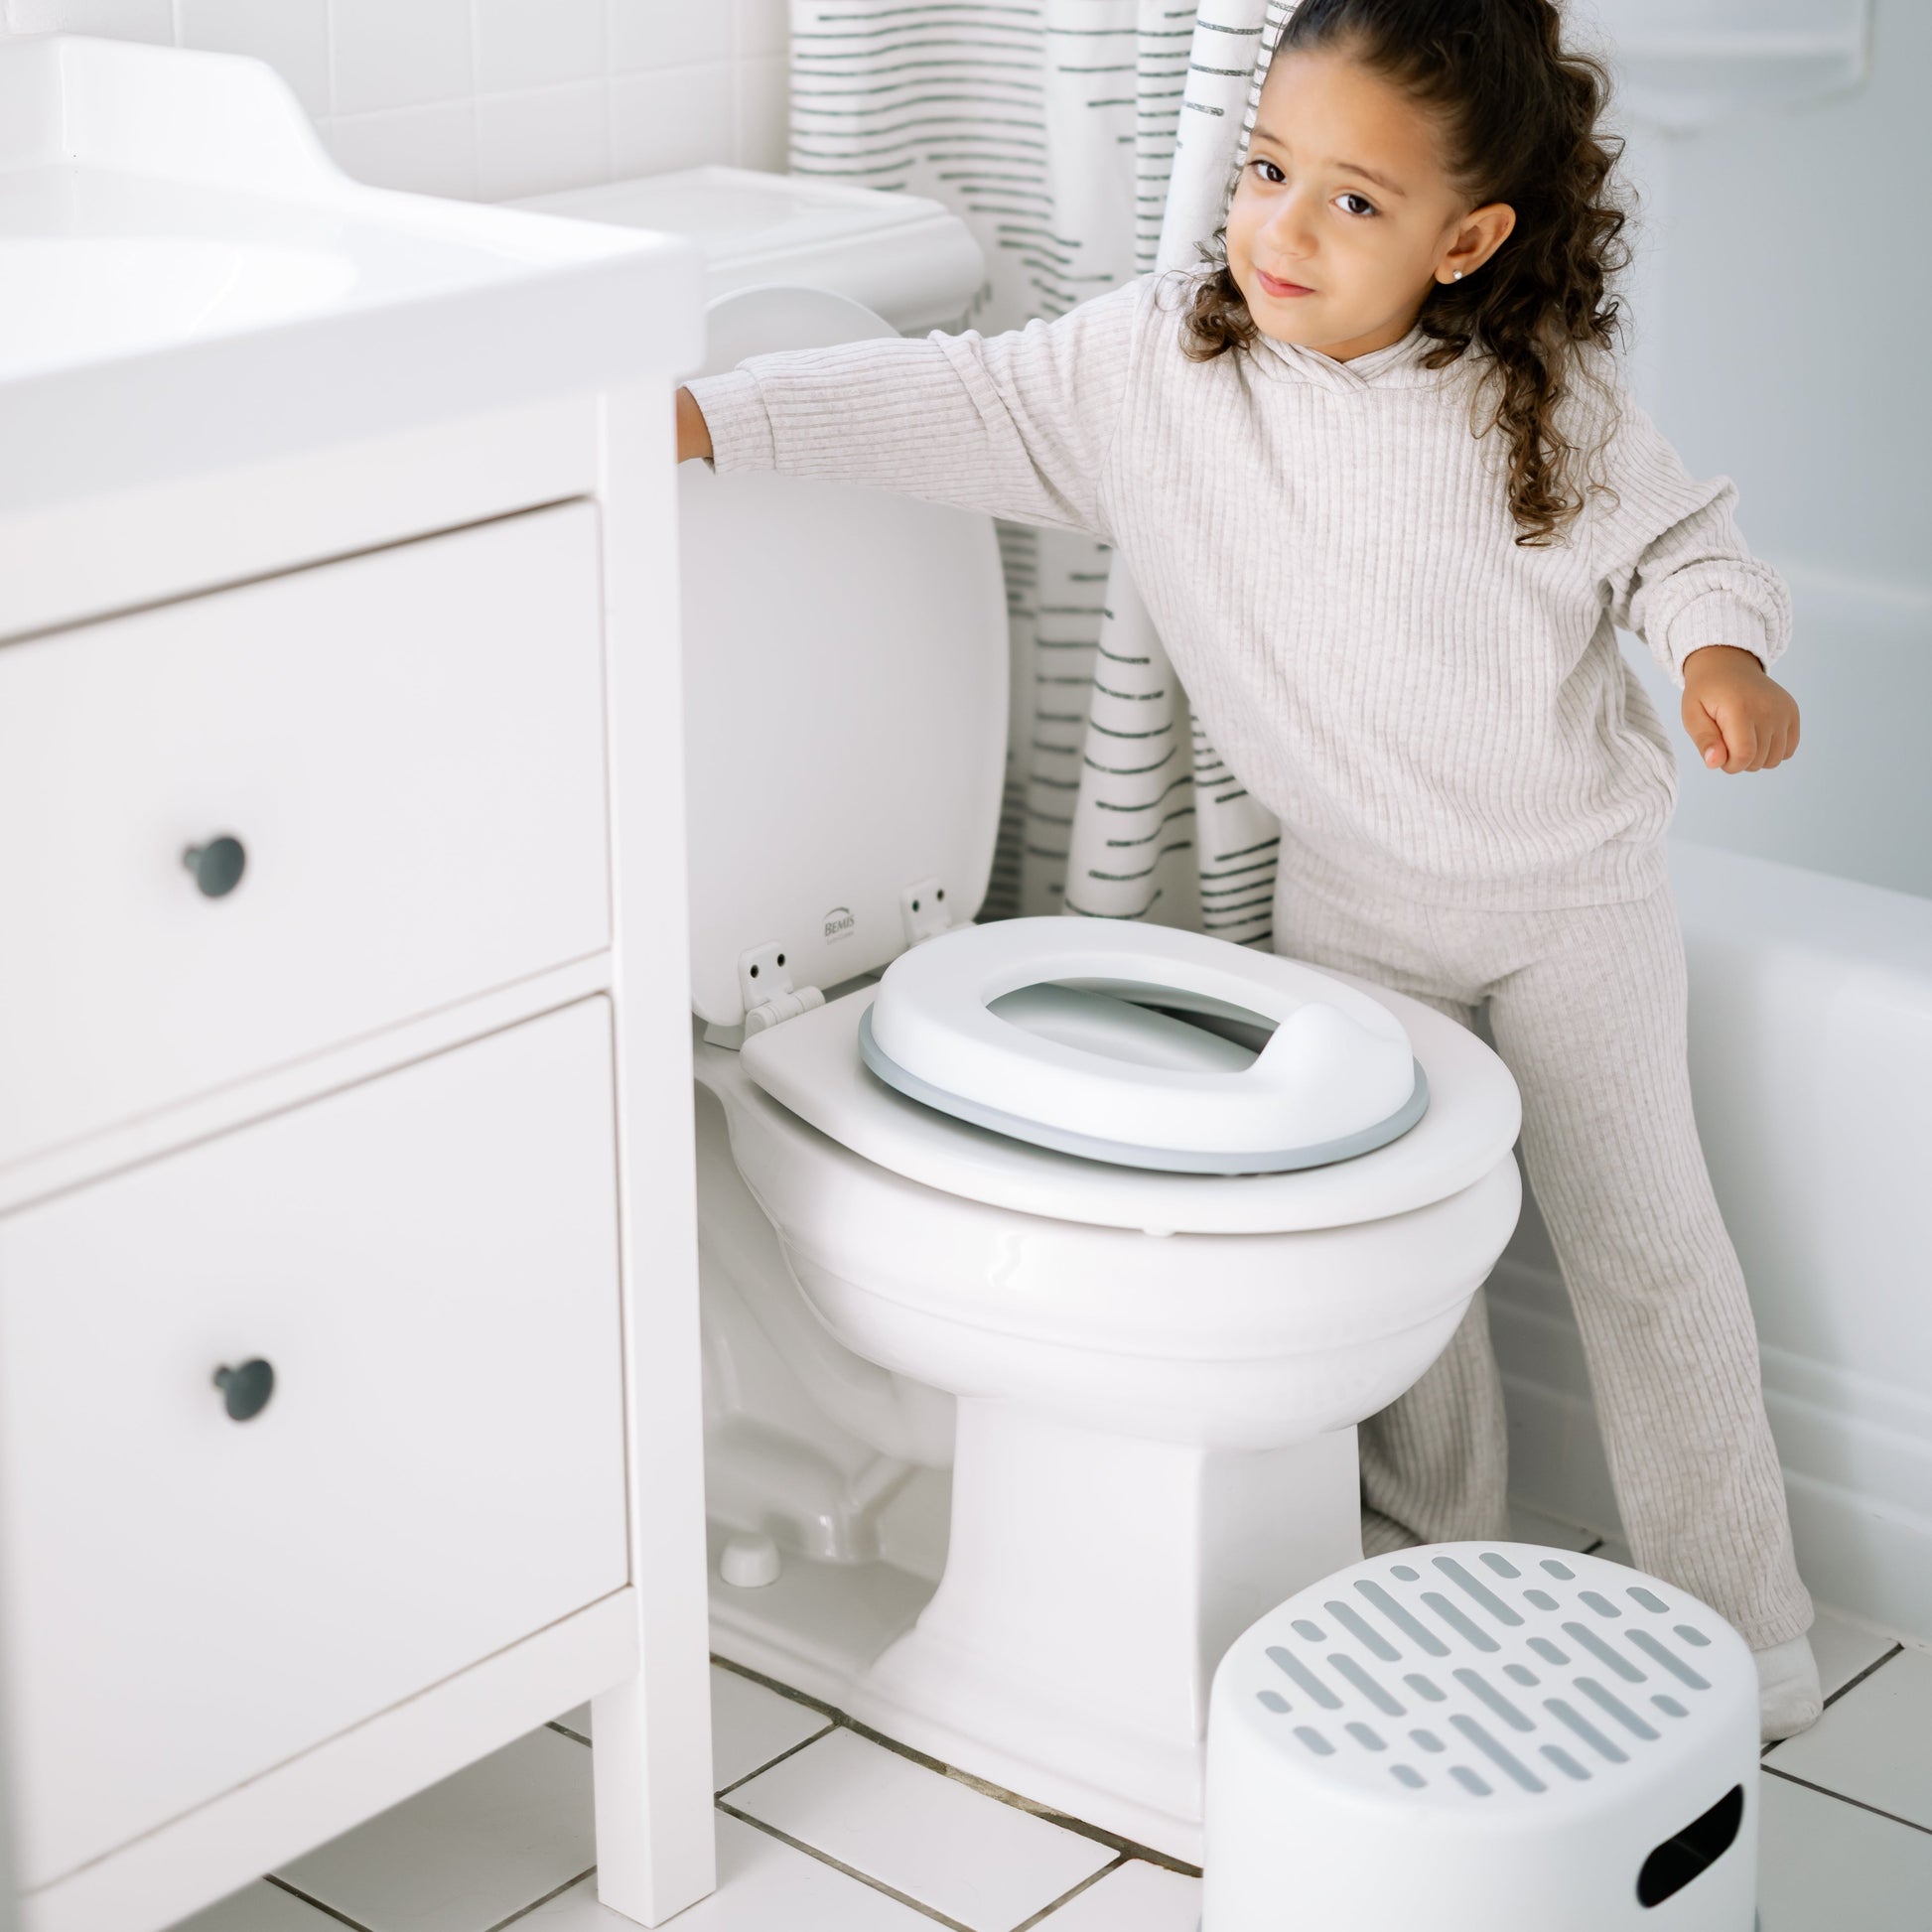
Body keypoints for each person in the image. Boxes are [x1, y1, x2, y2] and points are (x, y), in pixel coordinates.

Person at [675, 0, 1820, 1741]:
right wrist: (711, 417)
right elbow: (940, 396)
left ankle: (1745, 1624)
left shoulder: (1535, 397)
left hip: (1569, 895)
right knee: (1389, 1249)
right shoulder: (1158, 369)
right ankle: (1423, 1548)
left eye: (1353, 201)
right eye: (1268, 168)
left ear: (1465, 241)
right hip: (1353, 897)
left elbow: (1679, 544)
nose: (1282, 226)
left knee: (1646, 1253)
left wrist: (1719, 651)